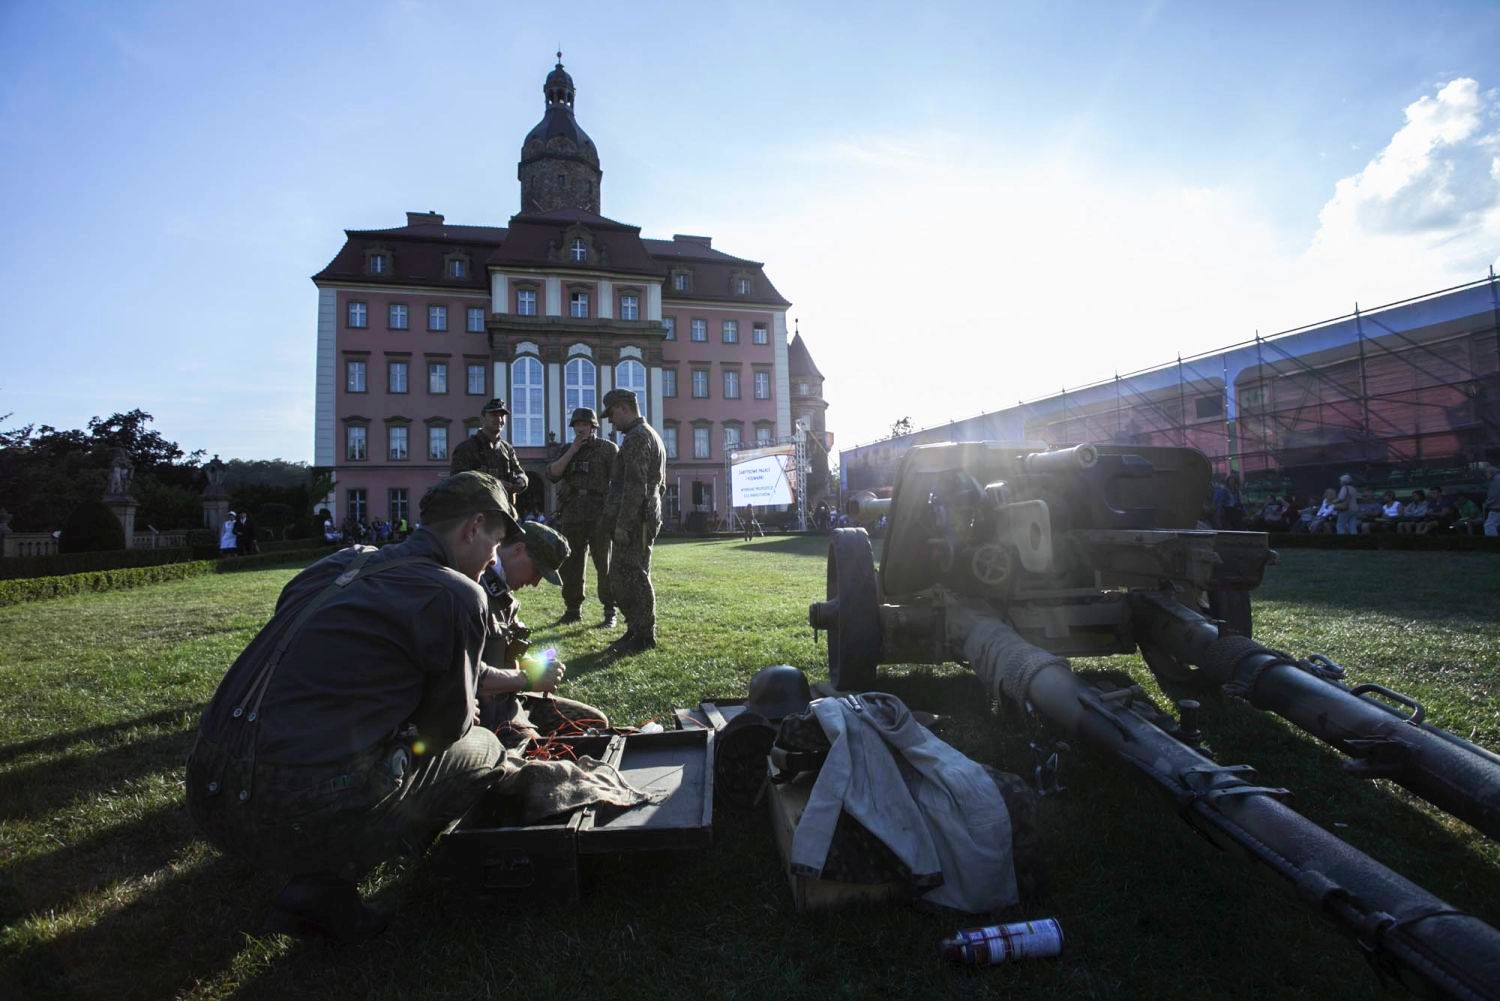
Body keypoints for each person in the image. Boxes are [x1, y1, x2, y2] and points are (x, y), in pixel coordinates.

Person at [185, 472, 578, 943]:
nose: (493, 558)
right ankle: (330, 877)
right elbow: (446, 728)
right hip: (291, 805)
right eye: (495, 545)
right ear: (473, 527)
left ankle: (321, 851)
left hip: (208, 788)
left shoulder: (338, 564)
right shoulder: (457, 593)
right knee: (485, 748)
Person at [600, 388, 665, 655]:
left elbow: (635, 486)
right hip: (643, 515)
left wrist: (623, 525)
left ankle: (643, 634)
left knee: (632, 576)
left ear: (624, 408)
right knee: (627, 575)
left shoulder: (638, 437)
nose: (611, 421)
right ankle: (636, 630)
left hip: (636, 519)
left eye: (612, 414)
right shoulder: (649, 434)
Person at [546, 406, 618, 628]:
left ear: (594, 426)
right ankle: (573, 609)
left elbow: (618, 481)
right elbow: (553, 474)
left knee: (603, 565)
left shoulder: (607, 449)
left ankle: (609, 611)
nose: (580, 428)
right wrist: (573, 450)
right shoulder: (567, 449)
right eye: (577, 425)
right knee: (572, 565)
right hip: (572, 513)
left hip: (599, 513)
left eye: (585, 424)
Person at [450, 398, 529, 500]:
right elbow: (457, 481)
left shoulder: (507, 449)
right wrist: (494, 484)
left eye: (502, 415)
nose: (499, 419)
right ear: (482, 418)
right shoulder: (466, 448)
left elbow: (520, 472)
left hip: (504, 511)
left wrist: (521, 481)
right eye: (494, 415)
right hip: (477, 511)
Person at [1486, 466, 1500, 537]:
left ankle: (1493, 544)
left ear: (1492, 473)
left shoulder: (1496, 481)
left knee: (1489, 526)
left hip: (1497, 508)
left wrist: (1487, 503)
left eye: (1487, 473)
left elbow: (1494, 495)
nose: (1486, 475)